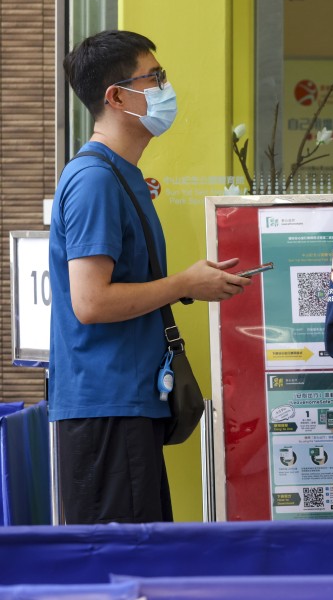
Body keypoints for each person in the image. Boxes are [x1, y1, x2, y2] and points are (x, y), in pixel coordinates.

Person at [53, 30, 252, 524]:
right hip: (106, 407)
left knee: (144, 551)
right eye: (155, 78)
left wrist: (191, 284)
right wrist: (185, 284)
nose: (167, 88)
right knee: (120, 559)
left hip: (128, 403)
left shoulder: (121, 175)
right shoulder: (95, 180)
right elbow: (90, 302)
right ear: (117, 97)